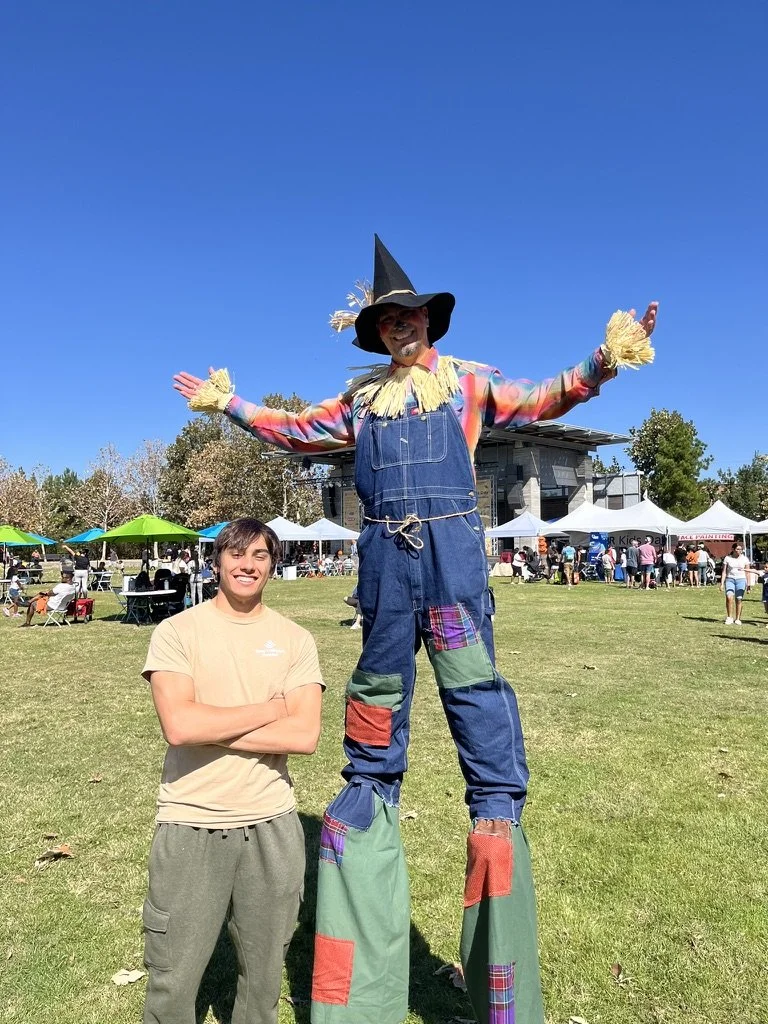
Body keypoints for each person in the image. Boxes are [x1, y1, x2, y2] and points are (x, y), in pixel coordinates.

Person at [173, 235, 658, 1024]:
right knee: (374, 718)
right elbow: (291, 429)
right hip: (387, 586)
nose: (403, 328)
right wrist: (227, 402)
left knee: (480, 710)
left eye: (411, 316)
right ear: (378, 332)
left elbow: (547, 400)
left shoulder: (469, 386)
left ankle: (497, 855)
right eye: (389, 320)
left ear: (430, 321)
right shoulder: (360, 404)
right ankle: (367, 827)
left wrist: (606, 359)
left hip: (457, 578)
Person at [140, 518, 324, 1024]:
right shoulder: (178, 631)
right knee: (172, 978)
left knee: (263, 980)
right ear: (217, 561)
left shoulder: (295, 640)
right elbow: (179, 726)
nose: (247, 565)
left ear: (272, 564)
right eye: (237, 555)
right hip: (191, 819)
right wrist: (268, 710)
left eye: (260, 556)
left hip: (271, 823)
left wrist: (212, 722)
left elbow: (304, 736)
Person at [720, 541, 751, 625]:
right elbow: (724, 572)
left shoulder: (745, 559)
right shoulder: (728, 558)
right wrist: (722, 583)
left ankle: (737, 618)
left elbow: (748, 572)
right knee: (729, 597)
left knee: (739, 599)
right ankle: (729, 617)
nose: (739, 551)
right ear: (733, 549)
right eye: (738, 549)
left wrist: (748, 585)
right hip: (730, 579)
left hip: (741, 580)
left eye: (741, 549)